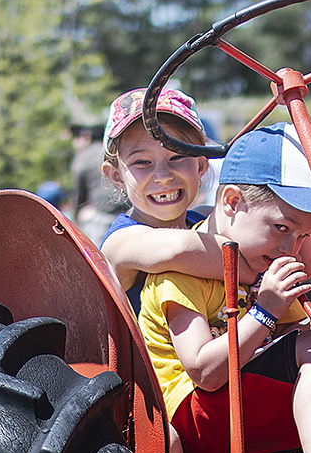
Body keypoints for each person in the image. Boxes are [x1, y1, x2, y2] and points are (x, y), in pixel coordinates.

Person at [137, 121, 311, 453]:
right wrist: (265, 310)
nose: (290, 248)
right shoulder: (180, 275)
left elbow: (288, 340)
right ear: (231, 202)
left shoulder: (264, 267)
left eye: (304, 236)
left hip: (247, 404)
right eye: (281, 228)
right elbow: (205, 372)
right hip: (197, 423)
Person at [98, 87, 252, 314]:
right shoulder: (119, 242)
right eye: (142, 162)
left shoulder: (204, 217)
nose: (163, 176)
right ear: (116, 176)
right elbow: (177, 249)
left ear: (201, 165)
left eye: (177, 156)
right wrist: (255, 264)